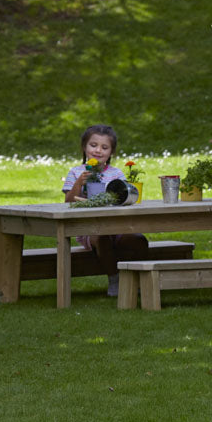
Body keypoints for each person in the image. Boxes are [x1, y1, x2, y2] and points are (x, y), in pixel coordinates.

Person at [62, 124, 149, 296]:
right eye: (93, 145)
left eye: (104, 147)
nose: (98, 151)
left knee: (139, 239)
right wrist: (80, 182)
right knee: (102, 238)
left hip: (116, 225)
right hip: (88, 228)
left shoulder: (116, 174)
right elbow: (68, 201)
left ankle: (140, 280)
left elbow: (125, 198)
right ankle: (114, 279)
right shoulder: (76, 172)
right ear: (84, 147)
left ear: (111, 152)